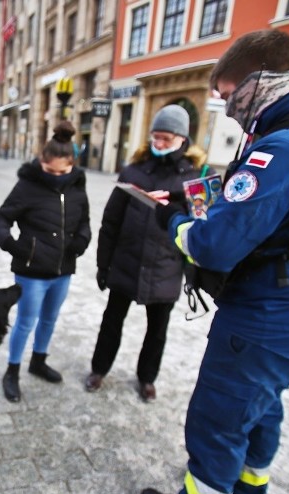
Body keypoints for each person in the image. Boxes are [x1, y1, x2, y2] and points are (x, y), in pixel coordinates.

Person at [141, 29, 289, 494]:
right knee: (262, 405)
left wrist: (174, 219)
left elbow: (214, 246)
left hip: (266, 316)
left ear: (258, 82)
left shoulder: (282, 149)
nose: (224, 104)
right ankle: (247, 493)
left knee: (219, 415)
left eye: (227, 92)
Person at [84, 105, 215, 401]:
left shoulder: (195, 178)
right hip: (125, 264)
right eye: (155, 137)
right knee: (111, 322)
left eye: (166, 139)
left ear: (183, 139)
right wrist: (103, 266)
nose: (159, 144)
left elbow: (203, 230)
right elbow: (110, 222)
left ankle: (147, 378)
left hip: (165, 269)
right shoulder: (133, 171)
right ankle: (99, 369)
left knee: (157, 331)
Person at [0, 120, 91, 403]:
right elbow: (1, 218)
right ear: (41, 162)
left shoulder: (77, 186)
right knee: (25, 322)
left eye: (63, 171)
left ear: (72, 164)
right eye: (50, 170)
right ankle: (12, 371)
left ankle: (39, 360)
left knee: (50, 318)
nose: (56, 176)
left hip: (63, 270)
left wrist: (81, 242)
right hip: (31, 272)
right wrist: (12, 245)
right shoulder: (27, 185)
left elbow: (84, 221)